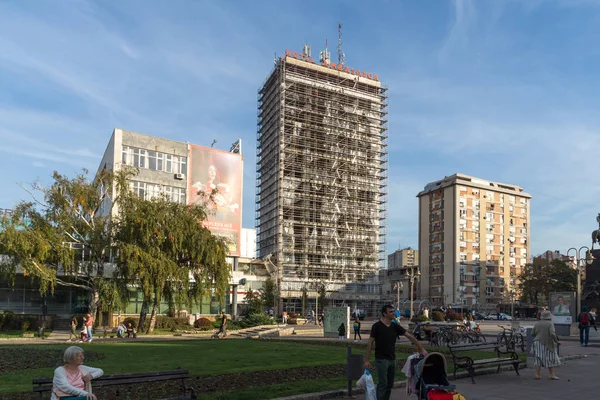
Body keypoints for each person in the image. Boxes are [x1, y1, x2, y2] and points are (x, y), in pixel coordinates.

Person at [364, 305, 428, 400]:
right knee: (383, 383)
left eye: (393, 311)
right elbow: (370, 343)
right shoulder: (376, 326)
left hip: (392, 359)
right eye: (391, 312)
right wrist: (367, 360)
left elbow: (410, 337)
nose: (393, 313)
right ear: (384, 314)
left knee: (389, 384)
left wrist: (422, 348)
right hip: (381, 359)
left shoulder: (395, 326)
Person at [532, 311, 560, 380]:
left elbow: (532, 333)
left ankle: (537, 374)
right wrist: (556, 341)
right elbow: (552, 334)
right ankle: (552, 375)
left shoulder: (537, 323)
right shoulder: (550, 324)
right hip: (547, 343)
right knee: (550, 358)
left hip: (537, 342)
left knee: (538, 358)